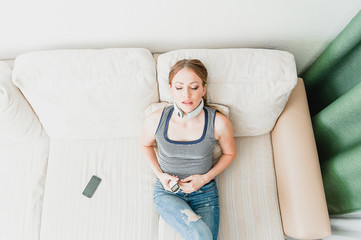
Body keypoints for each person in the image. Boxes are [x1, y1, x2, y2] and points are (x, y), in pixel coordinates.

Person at [140, 59, 236, 240]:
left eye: (194, 87)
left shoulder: (219, 123)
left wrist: (205, 178)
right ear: (171, 89)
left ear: (203, 89)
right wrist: (161, 175)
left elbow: (230, 153)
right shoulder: (154, 120)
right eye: (179, 87)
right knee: (201, 235)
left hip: (204, 193)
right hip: (168, 192)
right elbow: (145, 145)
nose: (187, 95)